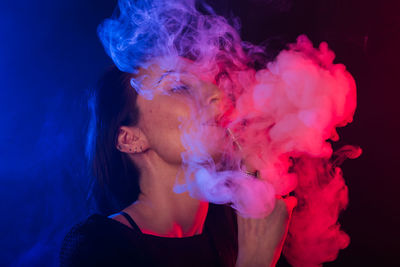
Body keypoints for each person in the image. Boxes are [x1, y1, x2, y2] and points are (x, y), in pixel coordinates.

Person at [59, 55, 296, 266]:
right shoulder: (98, 250)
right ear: (130, 139)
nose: (217, 94)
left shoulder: (244, 224)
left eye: (210, 82)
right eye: (179, 87)